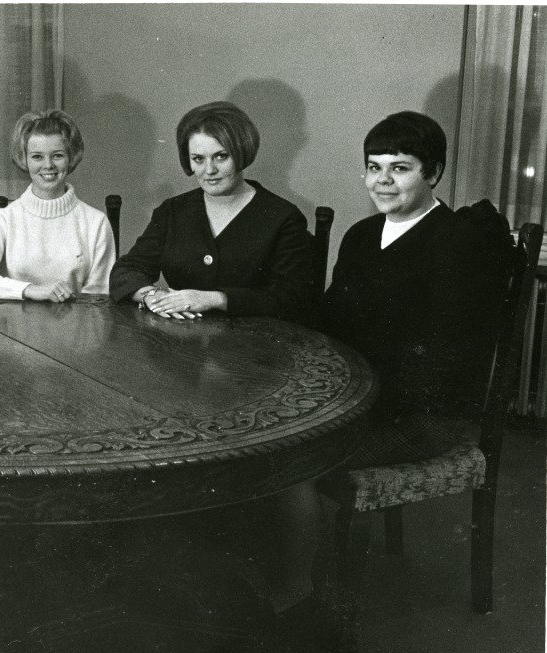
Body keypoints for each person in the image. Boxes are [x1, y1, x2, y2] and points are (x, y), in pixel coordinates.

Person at [321, 111, 514, 465]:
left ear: (434, 173)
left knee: (300, 459)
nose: (382, 181)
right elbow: (331, 323)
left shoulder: (460, 243)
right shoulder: (360, 236)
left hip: (425, 416)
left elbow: (448, 362)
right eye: (374, 167)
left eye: (399, 168)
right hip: (360, 401)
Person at [109, 101, 312, 321]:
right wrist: (151, 295)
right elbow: (126, 270)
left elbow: (290, 300)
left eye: (221, 156)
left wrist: (215, 299)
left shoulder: (283, 218)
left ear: (242, 153)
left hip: (255, 347)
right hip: (182, 341)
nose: (209, 170)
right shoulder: (173, 211)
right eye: (198, 159)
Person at [0, 109, 116, 301]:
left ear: (71, 157)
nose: (48, 165)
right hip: (12, 328)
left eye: (57, 155)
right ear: (24, 159)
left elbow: (99, 298)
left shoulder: (96, 223)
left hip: (76, 327)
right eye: (37, 157)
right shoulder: (2, 219)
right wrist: (30, 289)